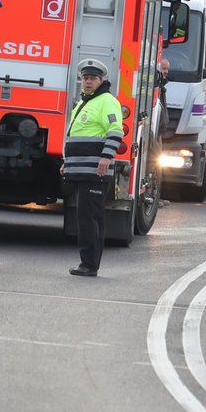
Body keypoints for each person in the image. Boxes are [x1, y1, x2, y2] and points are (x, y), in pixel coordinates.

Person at [63, 59, 124, 277]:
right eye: (85, 78)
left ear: (102, 81)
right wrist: (66, 162)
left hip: (94, 171)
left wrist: (106, 157)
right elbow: (75, 135)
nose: (88, 82)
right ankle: (88, 263)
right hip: (81, 169)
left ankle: (89, 265)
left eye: (93, 79)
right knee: (86, 218)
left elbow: (116, 130)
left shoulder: (106, 101)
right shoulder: (84, 102)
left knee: (89, 218)